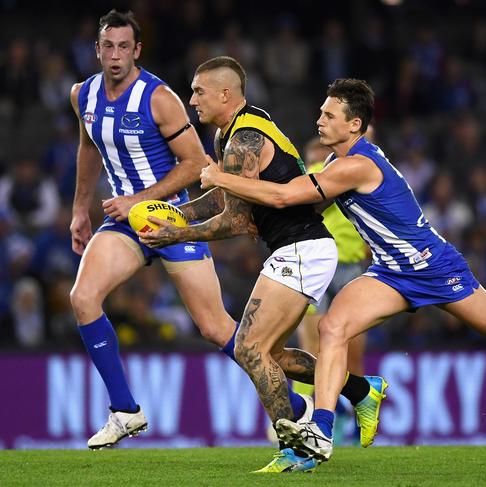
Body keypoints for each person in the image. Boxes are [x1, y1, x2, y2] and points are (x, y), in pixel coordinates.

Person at [201, 78, 486, 465]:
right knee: (333, 326)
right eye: (320, 112)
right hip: (390, 273)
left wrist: (220, 177)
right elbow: (289, 201)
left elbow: (284, 198)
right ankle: (321, 427)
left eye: (329, 115)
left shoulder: (357, 165)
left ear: (354, 125)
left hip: (434, 267)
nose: (319, 120)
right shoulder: (338, 166)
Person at [68, 10, 312, 452]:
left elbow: (197, 164)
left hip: (172, 218)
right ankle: (125, 410)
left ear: (137, 50)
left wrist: (141, 199)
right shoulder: (82, 95)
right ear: (97, 49)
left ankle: (295, 404)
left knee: (217, 328)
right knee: (82, 298)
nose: (116, 55)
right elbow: (88, 146)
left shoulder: (159, 98)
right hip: (123, 221)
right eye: (108, 46)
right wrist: (80, 209)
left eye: (125, 46)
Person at [137, 58, 386, 473]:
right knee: (267, 352)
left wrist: (175, 235)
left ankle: (296, 445)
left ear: (224, 95)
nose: (192, 99)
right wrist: (176, 216)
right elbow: (226, 201)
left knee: (248, 348)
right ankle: (360, 390)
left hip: (303, 247)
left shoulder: (245, 139)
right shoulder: (229, 135)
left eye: (199, 91)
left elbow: (236, 221)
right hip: (296, 248)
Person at [293, 137, 369, 444]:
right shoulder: (351, 175)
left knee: (311, 346)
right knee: (351, 351)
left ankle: (303, 417)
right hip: (344, 266)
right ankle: (351, 422)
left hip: (317, 267)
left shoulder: (310, 177)